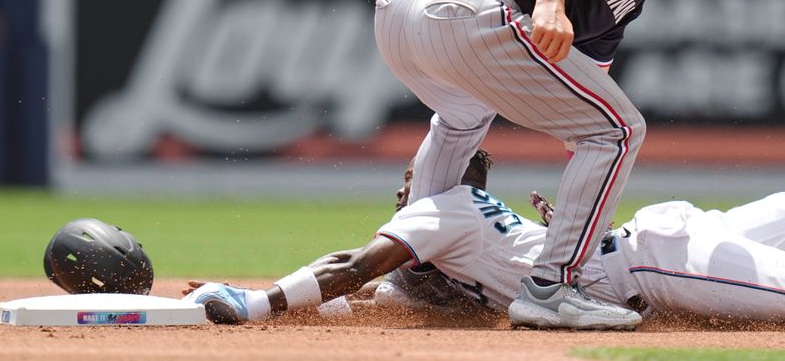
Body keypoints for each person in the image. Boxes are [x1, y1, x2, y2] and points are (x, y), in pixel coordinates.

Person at [371, 0, 750, 329]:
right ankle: (551, 288)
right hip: (467, 8)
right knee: (623, 130)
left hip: (402, 13)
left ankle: (415, 274)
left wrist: (581, 209)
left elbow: (585, 101)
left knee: (463, 117)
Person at [183, 150, 785, 327]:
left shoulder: (441, 209)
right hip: (661, 239)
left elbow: (353, 267)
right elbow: (366, 295)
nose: (402, 192)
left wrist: (256, 302)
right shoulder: (455, 227)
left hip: (656, 262)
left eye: (410, 178)